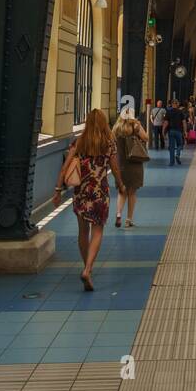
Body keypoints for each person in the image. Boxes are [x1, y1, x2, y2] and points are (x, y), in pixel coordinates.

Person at [54, 109, 123, 291]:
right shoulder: (109, 144)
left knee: (82, 232)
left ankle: (87, 267)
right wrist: (121, 185)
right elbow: (115, 169)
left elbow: (64, 168)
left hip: (81, 192)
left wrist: (57, 190)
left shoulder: (79, 143)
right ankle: (88, 268)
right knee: (97, 231)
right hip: (99, 192)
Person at [113, 111, 149, 228]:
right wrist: (139, 125)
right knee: (132, 192)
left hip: (121, 164)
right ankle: (129, 220)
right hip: (134, 162)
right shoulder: (135, 126)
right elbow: (146, 138)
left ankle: (118, 214)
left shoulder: (116, 128)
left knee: (122, 191)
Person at [164, 99, 186, 165]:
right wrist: (185, 131)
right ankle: (177, 155)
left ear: (171, 104)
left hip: (171, 131)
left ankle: (171, 162)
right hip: (178, 131)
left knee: (171, 147)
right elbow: (184, 122)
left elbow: (166, 122)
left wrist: (163, 131)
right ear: (177, 104)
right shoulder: (180, 112)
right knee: (180, 144)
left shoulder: (168, 112)